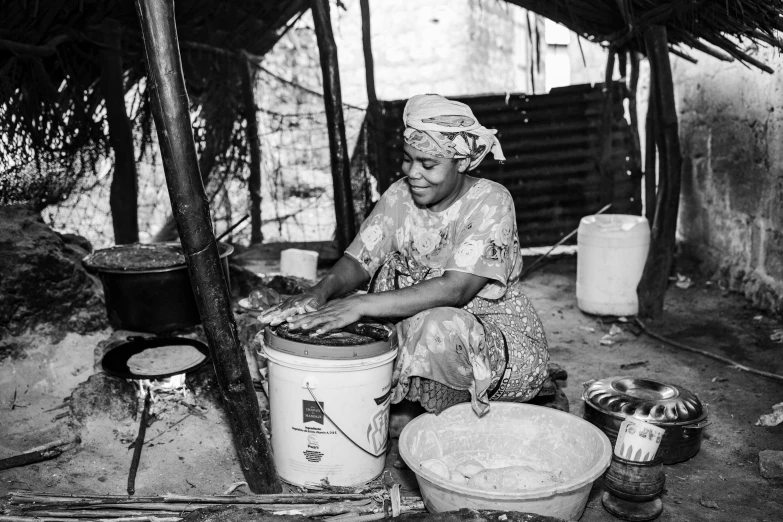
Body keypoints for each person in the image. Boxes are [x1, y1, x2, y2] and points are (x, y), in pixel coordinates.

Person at [260, 94, 549, 416]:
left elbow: (456, 289)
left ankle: (442, 426)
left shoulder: (491, 201)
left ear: (463, 162)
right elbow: (360, 259)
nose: (413, 173)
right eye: (408, 159)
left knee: (437, 327)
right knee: (317, 327)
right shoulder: (401, 194)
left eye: (428, 164)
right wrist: (318, 293)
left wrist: (359, 304)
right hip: (412, 319)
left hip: (491, 339)